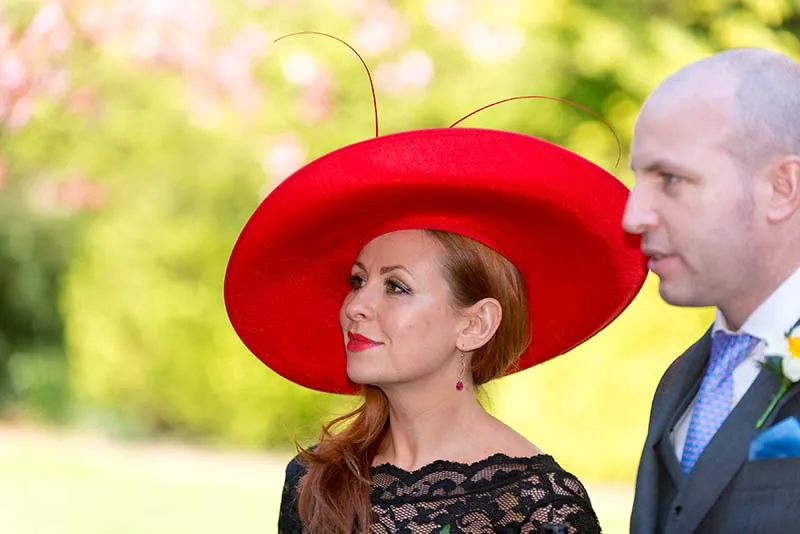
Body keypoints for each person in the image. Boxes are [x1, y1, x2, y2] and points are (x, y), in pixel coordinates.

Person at [224, 125, 647, 533]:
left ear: (475, 324)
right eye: (356, 281)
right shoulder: (316, 479)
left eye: (396, 286)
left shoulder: (539, 506)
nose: (356, 306)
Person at [624, 47, 800, 534]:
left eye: (671, 179)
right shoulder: (682, 379)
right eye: (639, 179)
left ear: (782, 188)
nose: (633, 217)